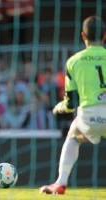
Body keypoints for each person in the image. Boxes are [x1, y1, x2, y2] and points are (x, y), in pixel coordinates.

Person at [40, 16, 106, 195]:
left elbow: (71, 103)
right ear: (105, 36)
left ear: (83, 35)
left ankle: (60, 183)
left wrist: (60, 107)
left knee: (73, 137)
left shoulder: (73, 61)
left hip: (88, 116)